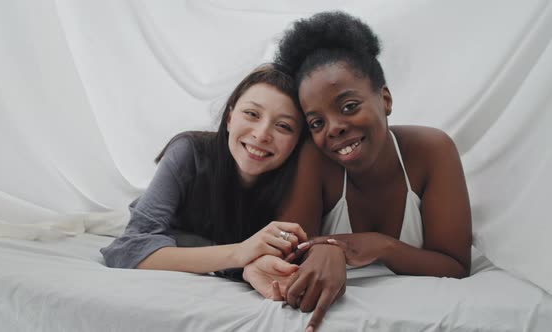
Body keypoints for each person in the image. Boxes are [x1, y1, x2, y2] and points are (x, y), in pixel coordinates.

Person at [243, 11, 473, 332]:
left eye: (349, 106)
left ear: (385, 99)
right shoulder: (315, 158)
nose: (333, 128)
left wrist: (375, 245)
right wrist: (323, 249)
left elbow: (456, 265)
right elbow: (292, 254)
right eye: (316, 122)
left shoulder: (432, 151)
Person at [101, 63, 317, 276]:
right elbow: (128, 249)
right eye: (252, 114)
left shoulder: (299, 180)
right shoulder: (189, 152)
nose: (262, 135)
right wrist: (238, 254)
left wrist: (248, 266)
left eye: (283, 126)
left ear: (298, 141)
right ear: (230, 119)